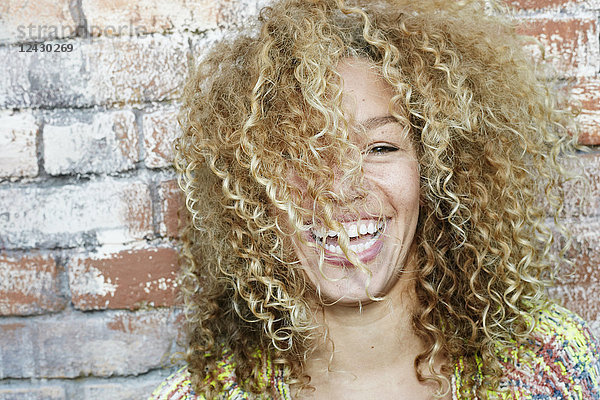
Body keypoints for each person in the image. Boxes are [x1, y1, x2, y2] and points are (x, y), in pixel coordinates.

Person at [149, 0, 600, 398]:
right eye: (301, 155)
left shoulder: (551, 369)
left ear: (439, 169)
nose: (342, 188)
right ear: (250, 188)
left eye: (380, 148)